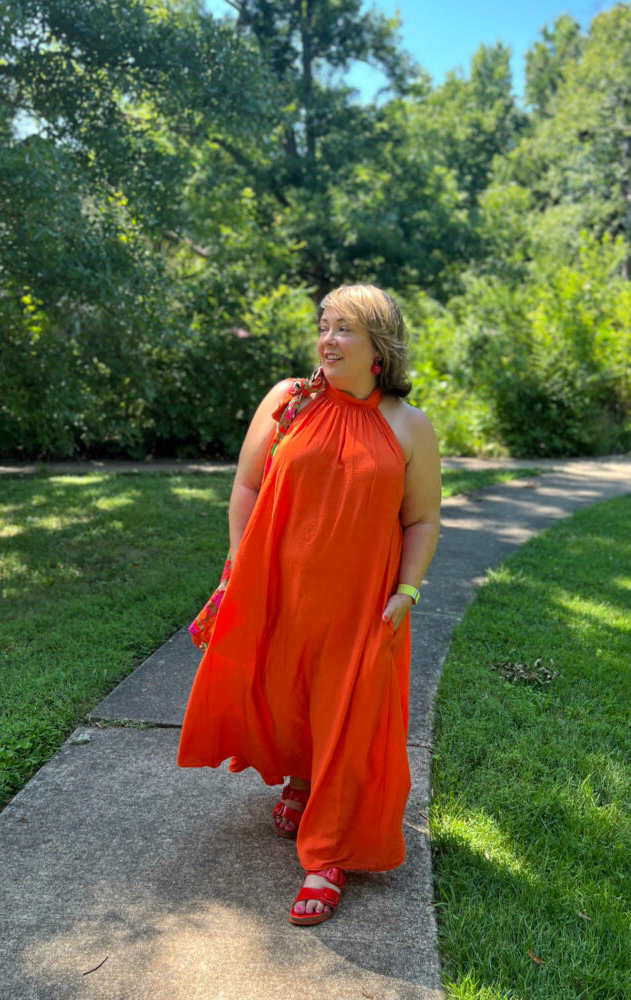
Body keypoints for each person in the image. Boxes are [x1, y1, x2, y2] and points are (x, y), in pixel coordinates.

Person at [177, 283, 441, 926]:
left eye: (345, 328)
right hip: (278, 583)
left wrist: (407, 590)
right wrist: (238, 566)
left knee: (351, 714)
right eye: (324, 325)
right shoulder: (287, 401)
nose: (328, 339)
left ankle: (327, 855)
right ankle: (301, 778)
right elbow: (246, 486)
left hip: (362, 602)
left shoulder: (409, 425)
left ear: (380, 345)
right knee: (288, 690)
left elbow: (423, 519)